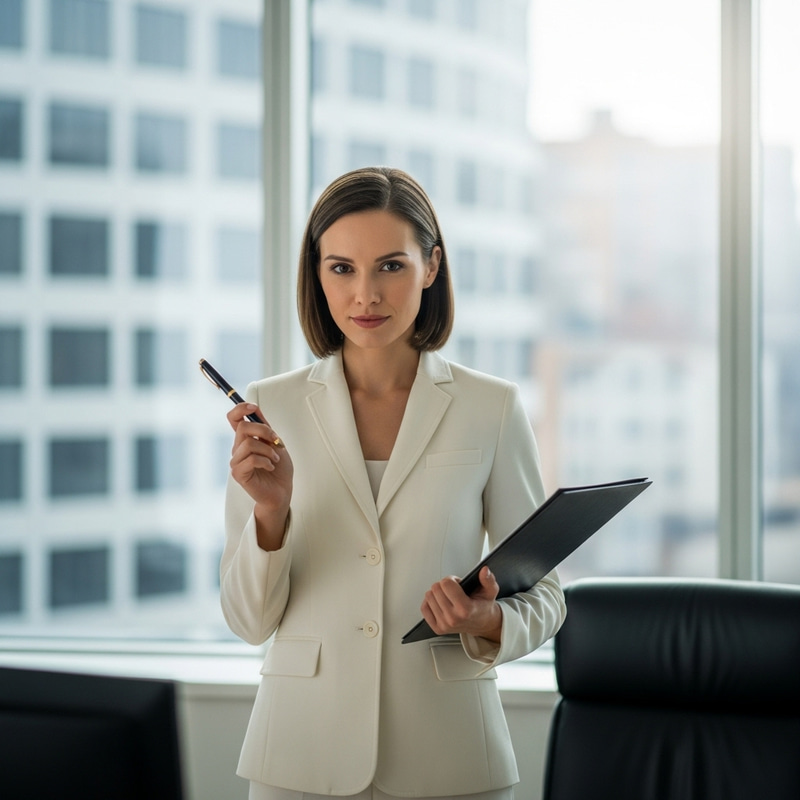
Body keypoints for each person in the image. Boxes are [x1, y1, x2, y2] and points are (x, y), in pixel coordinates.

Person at [221, 166, 566, 800]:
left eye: (391, 266)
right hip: (300, 758)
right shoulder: (271, 410)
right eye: (342, 268)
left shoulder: (491, 407)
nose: (366, 296)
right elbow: (247, 620)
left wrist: (487, 618)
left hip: (453, 758)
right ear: (316, 274)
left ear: (431, 266)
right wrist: (271, 518)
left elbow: (545, 595)